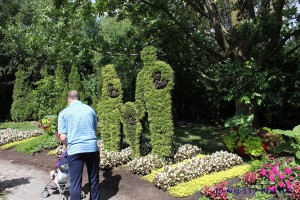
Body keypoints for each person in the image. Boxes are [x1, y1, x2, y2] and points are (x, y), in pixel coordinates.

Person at [58, 90, 100, 200]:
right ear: (79, 98)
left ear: (69, 100)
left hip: (75, 150)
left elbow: (62, 138)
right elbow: (95, 131)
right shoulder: (90, 110)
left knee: (75, 182)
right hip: (91, 148)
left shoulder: (63, 113)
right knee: (94, 180)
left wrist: (69, 144)